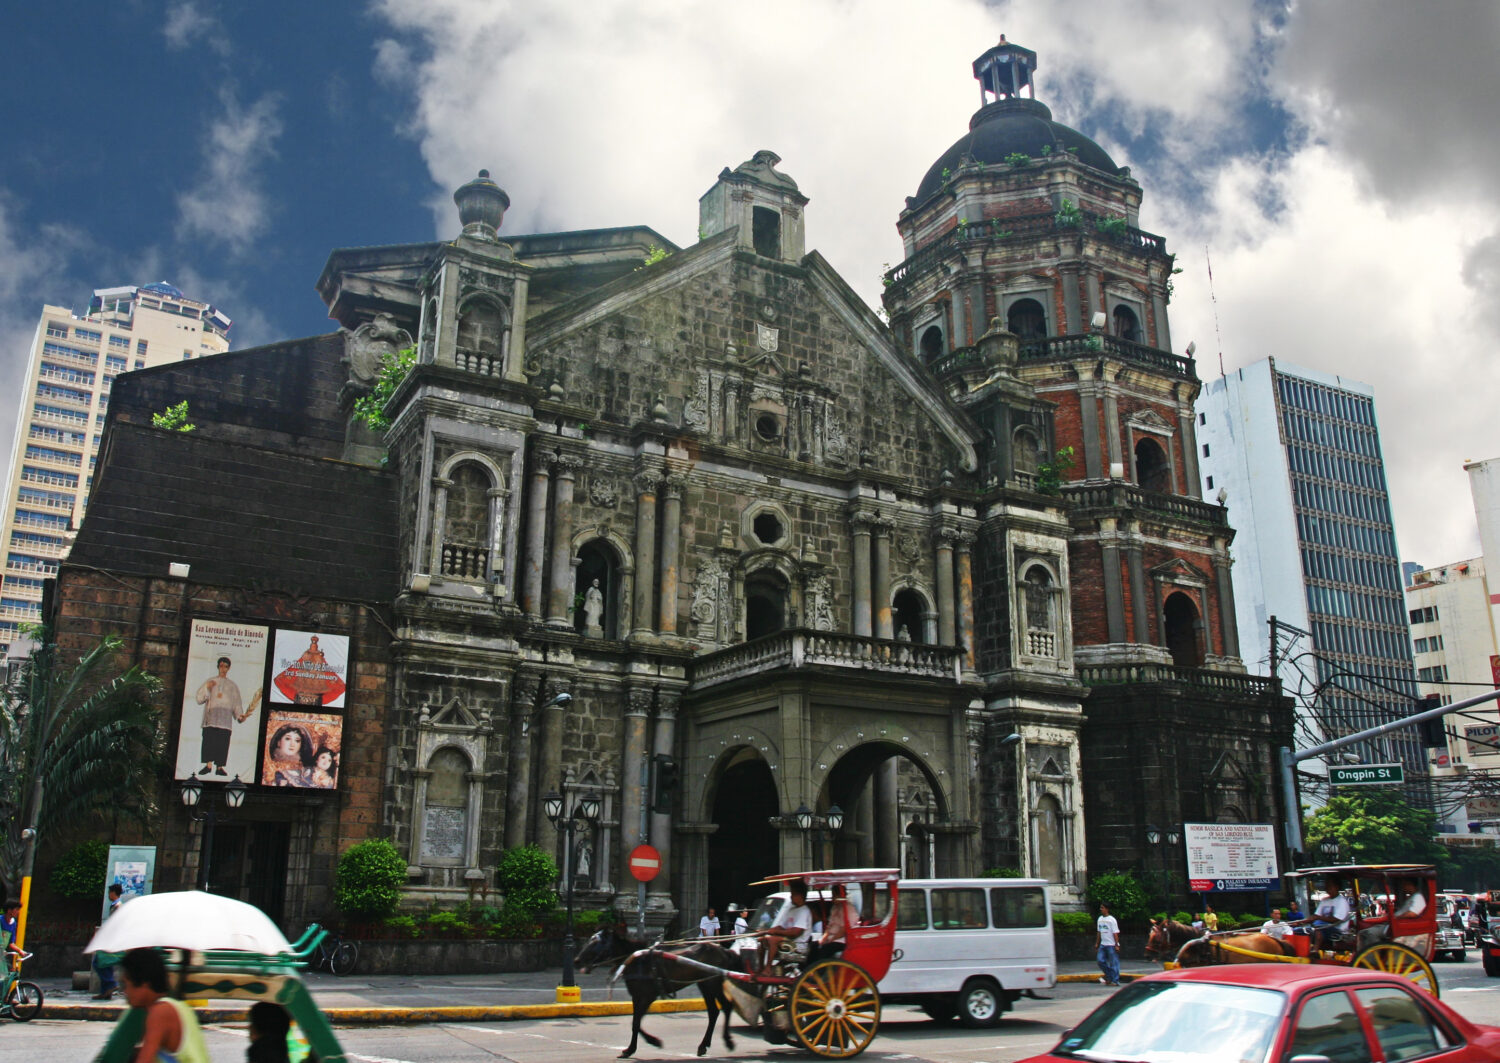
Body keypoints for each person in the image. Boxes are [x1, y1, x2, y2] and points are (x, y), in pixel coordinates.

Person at [120, 947, 211, 1063]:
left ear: (144, 984)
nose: (125, 992)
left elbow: (145, 1060)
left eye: (125, 985)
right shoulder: (177, 1006)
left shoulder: (160, 1012)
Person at [195, 656, 251, 777]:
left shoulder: (232, 686)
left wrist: (240, 716)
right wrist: (207, 688)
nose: (223, 669)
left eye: (226, 666)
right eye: (221, 666)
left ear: (229, 668)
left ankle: (219, 768)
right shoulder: (211, 681)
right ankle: (208, 766)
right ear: (218, 667)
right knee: (209, 741)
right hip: (211, 718)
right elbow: (199, 699)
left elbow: (237, 703)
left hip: (225, 721)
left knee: (222, 743)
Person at [760, 881, 813, 971]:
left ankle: (768, 969)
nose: (791, 897)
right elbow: (781, 926)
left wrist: (776, 932)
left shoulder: (804, 911)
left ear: (801, 896)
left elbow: (795, 932)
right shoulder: (791, 909)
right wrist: (768, 930)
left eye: (793, 894)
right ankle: (761, 968)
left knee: (773, 940)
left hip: (798, 945)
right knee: (762, 939)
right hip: (789, 941)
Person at [93, 884, 125, 998]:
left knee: (98, 962)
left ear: (113, 893)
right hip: (111, 938)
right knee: (106, 964)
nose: (108, 895)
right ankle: (105, 992)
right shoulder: (115, 906)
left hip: (111, 939)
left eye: (109, 892)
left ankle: (110, 984)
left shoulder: (118, 906)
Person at [810, 883, 850, 964]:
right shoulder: (834, 908)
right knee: (813, 946)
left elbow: (844, 930)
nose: (832, 898)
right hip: (832, 938)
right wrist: (823, 939)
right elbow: (829, 927)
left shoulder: (848, 909)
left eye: (834, 895)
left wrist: (831, 940)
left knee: (826, 949)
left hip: (841, 940)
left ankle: (820, 969)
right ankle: (808, 968)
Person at [1309, 878, 1353, 952]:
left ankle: (1315, 950)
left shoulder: (1342, 902)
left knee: (1319, 926)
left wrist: (1318, 918)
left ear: (1337, 887)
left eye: (1329, 886)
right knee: (1303, 930)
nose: (1327, 888)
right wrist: (1301, 922)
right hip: (1323, 928)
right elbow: (1315, 916)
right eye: (1326, 886)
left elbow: (1335, 920)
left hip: (1338, 931)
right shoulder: (1324, 900)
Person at [1094, 902, 1120, 986]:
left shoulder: (1112, 920)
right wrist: (1097, 943)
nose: (1101, 909)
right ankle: (1109, 976)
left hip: (1111, 945)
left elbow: (1115, 933)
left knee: (1114, 963)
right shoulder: (1100, 919)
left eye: (1102, 908)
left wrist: (1116, 944)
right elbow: (1099, 932)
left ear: (1107, 909)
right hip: (1103, 944)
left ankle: (1115, 980)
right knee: (1100, 960)